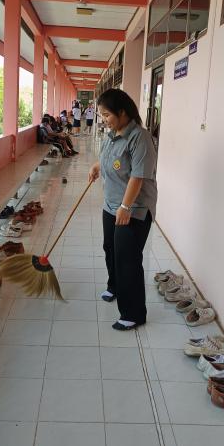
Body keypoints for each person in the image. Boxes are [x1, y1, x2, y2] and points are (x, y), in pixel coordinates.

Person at [88, 88, 157, 331]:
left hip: (133, 208)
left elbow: (138, 176)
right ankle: (115, 286)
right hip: (111, 204)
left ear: (123, 112)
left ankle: (133, 313)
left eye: (107, 114)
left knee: (128, 258)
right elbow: (109, 158)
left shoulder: (140, 138)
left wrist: (126, 206)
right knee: (110, 248)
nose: (104, 119)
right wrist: (97, 166)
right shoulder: (112, 134)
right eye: (101, 115)